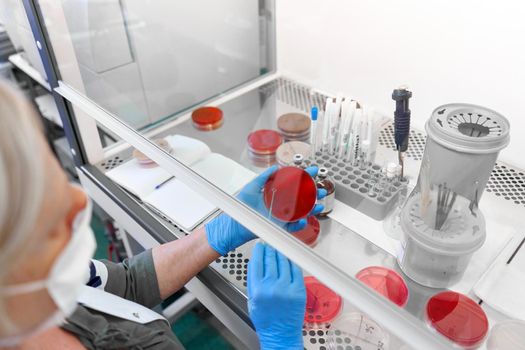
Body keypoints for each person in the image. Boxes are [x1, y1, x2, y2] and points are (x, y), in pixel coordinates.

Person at [0, 81, 326, 349]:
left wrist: (221, 230)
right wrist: (281, 343)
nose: (76, 197)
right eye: (39, 196)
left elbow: (127, 284)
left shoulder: (35, 293)